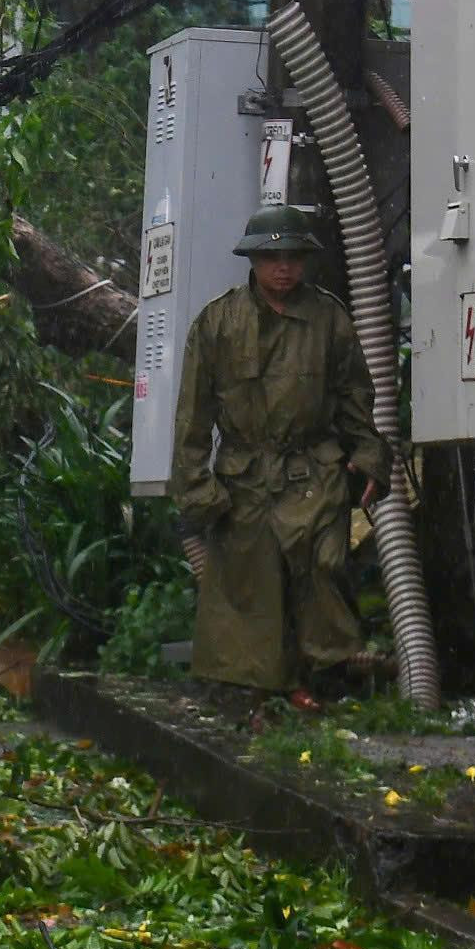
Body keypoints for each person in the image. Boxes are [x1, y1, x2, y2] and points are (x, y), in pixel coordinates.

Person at [168, 203, 390, 706]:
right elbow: (192, 416)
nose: (283, 268)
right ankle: (265, 691)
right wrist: (196, 488)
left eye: (293, 257)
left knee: (324, 566)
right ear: (252, 260)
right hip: (245, 475)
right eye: (272, 258)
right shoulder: (219, 322)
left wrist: (369, 457)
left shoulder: (329, 318)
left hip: (314, 468)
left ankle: (329, 675)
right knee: (253, 586)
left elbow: (356, 396)